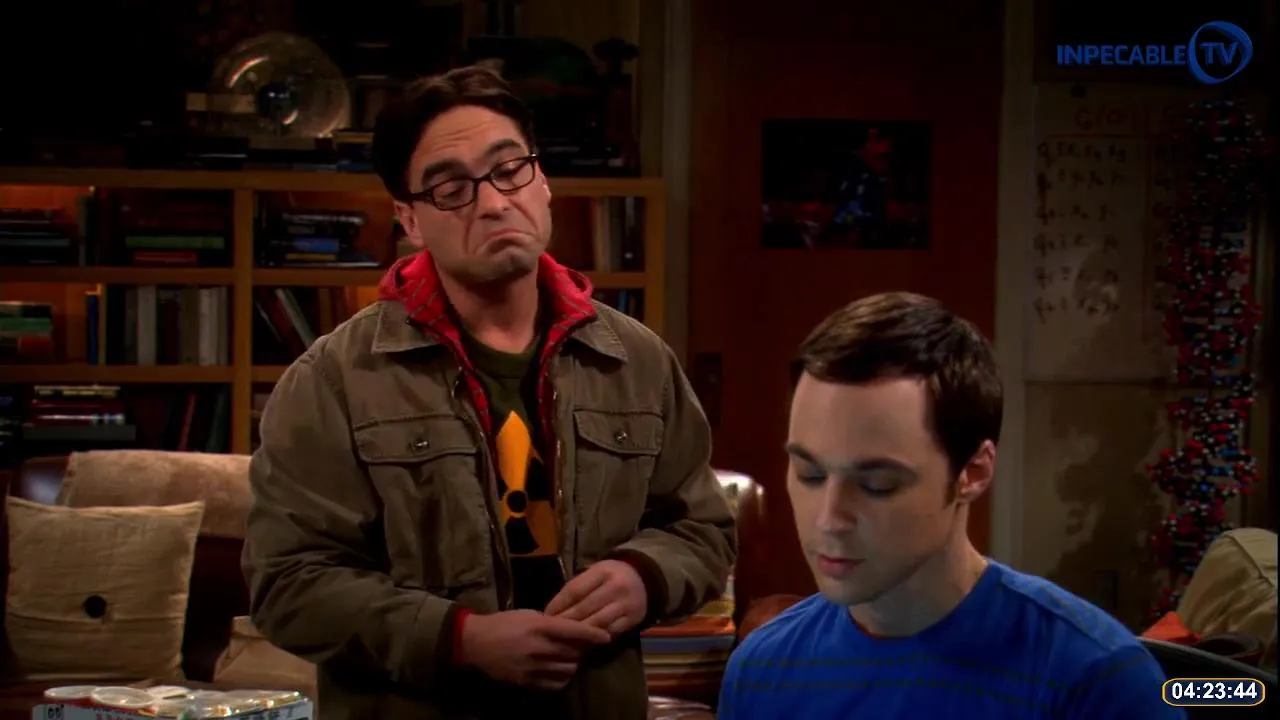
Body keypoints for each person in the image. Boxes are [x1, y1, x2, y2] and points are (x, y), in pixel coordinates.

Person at [242, 65, 736, 720]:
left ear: (543, 182)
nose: (495, 203)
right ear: (410, 219)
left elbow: (702, 530)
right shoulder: (333, 379)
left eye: (510, 171)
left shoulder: (636, 360)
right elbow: (287, 585)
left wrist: (643, 576)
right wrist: (458, 639)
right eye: (452, 189)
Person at [717, 292, 1182, 719]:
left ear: (973, 472)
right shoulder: (763, 669)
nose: (829, 519)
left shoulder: (1096, 679)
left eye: (878, 484)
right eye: (810, 474)